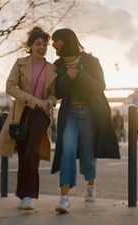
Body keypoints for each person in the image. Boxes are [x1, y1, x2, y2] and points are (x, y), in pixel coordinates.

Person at [50, 28, 120, 213]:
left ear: (66, 40)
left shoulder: (90, 61)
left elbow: (100, 86)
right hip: (69, 114)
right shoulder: (58, 65)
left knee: (88, 155)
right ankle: (64, 198)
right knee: (68, 152)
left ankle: (90, 185)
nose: (53, 44)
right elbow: (57, 93)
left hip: (90, 113)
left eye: (56, 40)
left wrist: (81, 75)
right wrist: (67, 77)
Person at [0, 27, 57, 210]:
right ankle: (23, 195)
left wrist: (49, 103)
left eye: (45, 44)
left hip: (41, 115)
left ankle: (29, 195)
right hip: (21, 113)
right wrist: (32, 100)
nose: (42, 47)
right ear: (30, 45)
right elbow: (10, 87)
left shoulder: (52, 68)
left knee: (32, 152)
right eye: (38, 43)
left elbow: (55, 95)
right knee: (23, 154)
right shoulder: (20, 63)